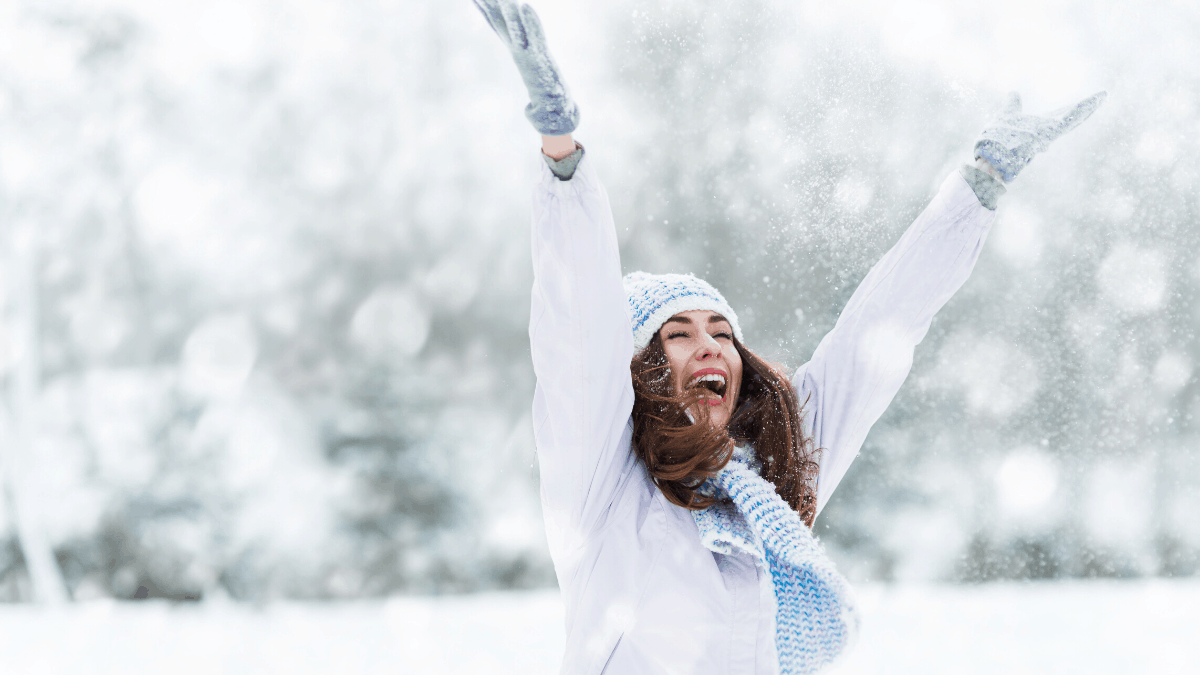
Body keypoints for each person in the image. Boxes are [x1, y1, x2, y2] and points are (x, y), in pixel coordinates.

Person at [471, 1, 1106, 672]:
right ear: (640, 368)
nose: (712, 345)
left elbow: (878, 331)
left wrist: (980, 183)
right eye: (678, 333)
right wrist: (562, 154)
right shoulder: (602, 481)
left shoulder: (774, 479)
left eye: (721, 331)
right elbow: (578, 341)